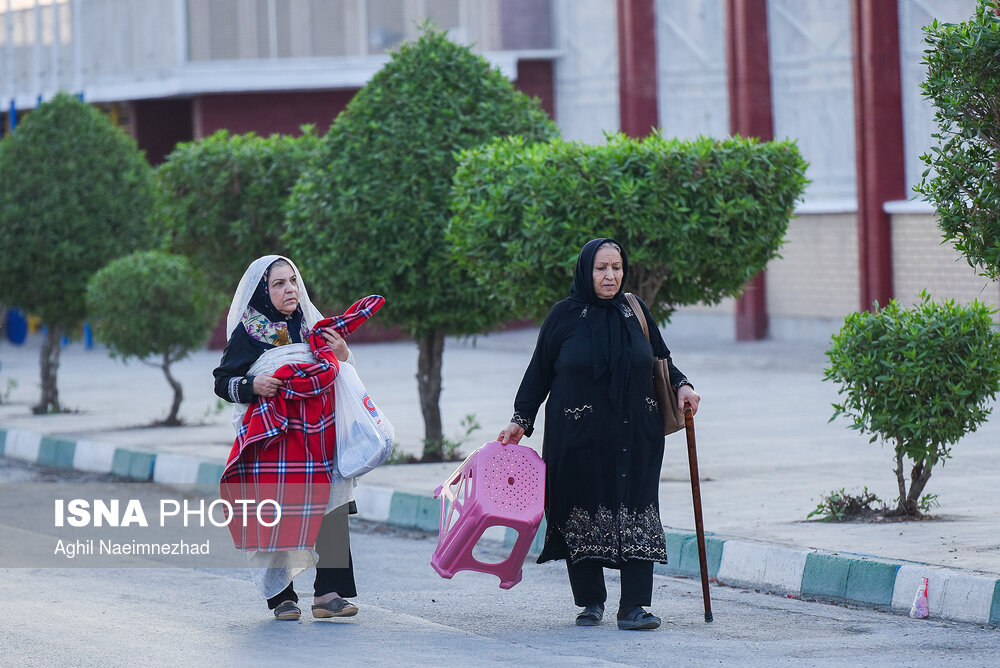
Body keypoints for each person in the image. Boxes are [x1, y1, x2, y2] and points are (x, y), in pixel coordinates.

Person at [498, 238, 700, 631]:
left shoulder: (635, 310)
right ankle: (590, 601)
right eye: (601, 268)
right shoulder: (564, 316)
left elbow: (662, 359)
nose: (611, 276)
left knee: (637, 509)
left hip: (636, 433)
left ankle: (635, 607)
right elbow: (538, 372)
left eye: (617, 267)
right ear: (585, 271)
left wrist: (683, 386)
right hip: (578, 435)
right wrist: (521, 419)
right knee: (582, 508)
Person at [213, 254, 383, 621]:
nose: (289, 288)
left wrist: (343, 353)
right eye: (278, 284)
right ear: (263, 290)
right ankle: (282, 596)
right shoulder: (250, 332)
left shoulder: (313, 324)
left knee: (332, 504)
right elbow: (222, 382)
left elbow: (341, 370)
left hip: (321, 434)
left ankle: (329, 594)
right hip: (275, 440)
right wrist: (252, 384)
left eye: (292, 281)